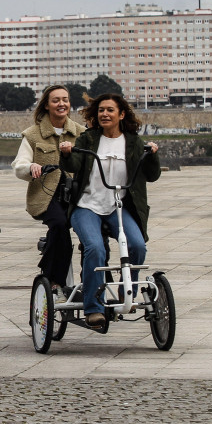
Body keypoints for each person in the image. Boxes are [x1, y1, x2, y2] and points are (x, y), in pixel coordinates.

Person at [59, 93, 160, 330]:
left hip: (119, 205)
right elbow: (74, 165)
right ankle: (94, 307)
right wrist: (66, 152)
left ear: (121, 114)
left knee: (137, 245)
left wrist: (152, 155)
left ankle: (129, 292)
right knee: (95, 248)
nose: (104, 114)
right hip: (87, 205)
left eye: (110, 110)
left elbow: (152, 175)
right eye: (101, 110)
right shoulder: (89, 139)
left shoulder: (133, 142)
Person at [12, 84, 86, 289]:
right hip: (47, 197)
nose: (61, 104)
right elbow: (19, 166)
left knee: (92, 234)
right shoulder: (33, 134)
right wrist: (31, 167)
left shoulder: (81, 133)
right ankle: (55, 280)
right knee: (60, 224)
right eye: (56, 100)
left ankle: (92, 281)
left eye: (65, 100)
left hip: (76, 195)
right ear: (46, 105)